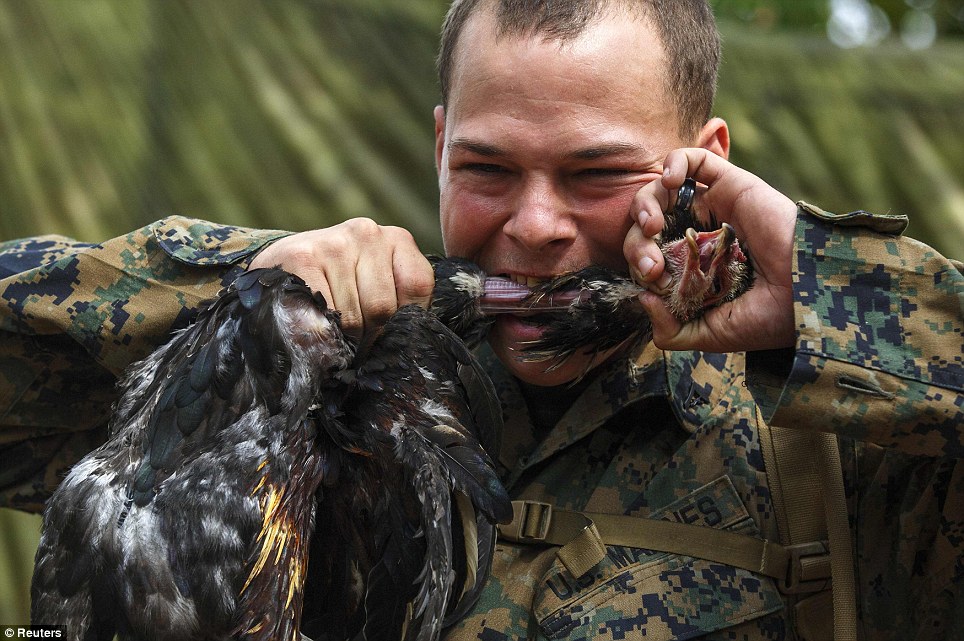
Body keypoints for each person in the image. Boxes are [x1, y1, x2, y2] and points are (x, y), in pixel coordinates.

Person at [1, 0, 961, 639]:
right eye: (488, 170)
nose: (534, 227)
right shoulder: (303, 382)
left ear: (701, 159)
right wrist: (246, 301)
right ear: (439, 146)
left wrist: (837, 294)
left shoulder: (841, 441)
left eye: (596, 174)